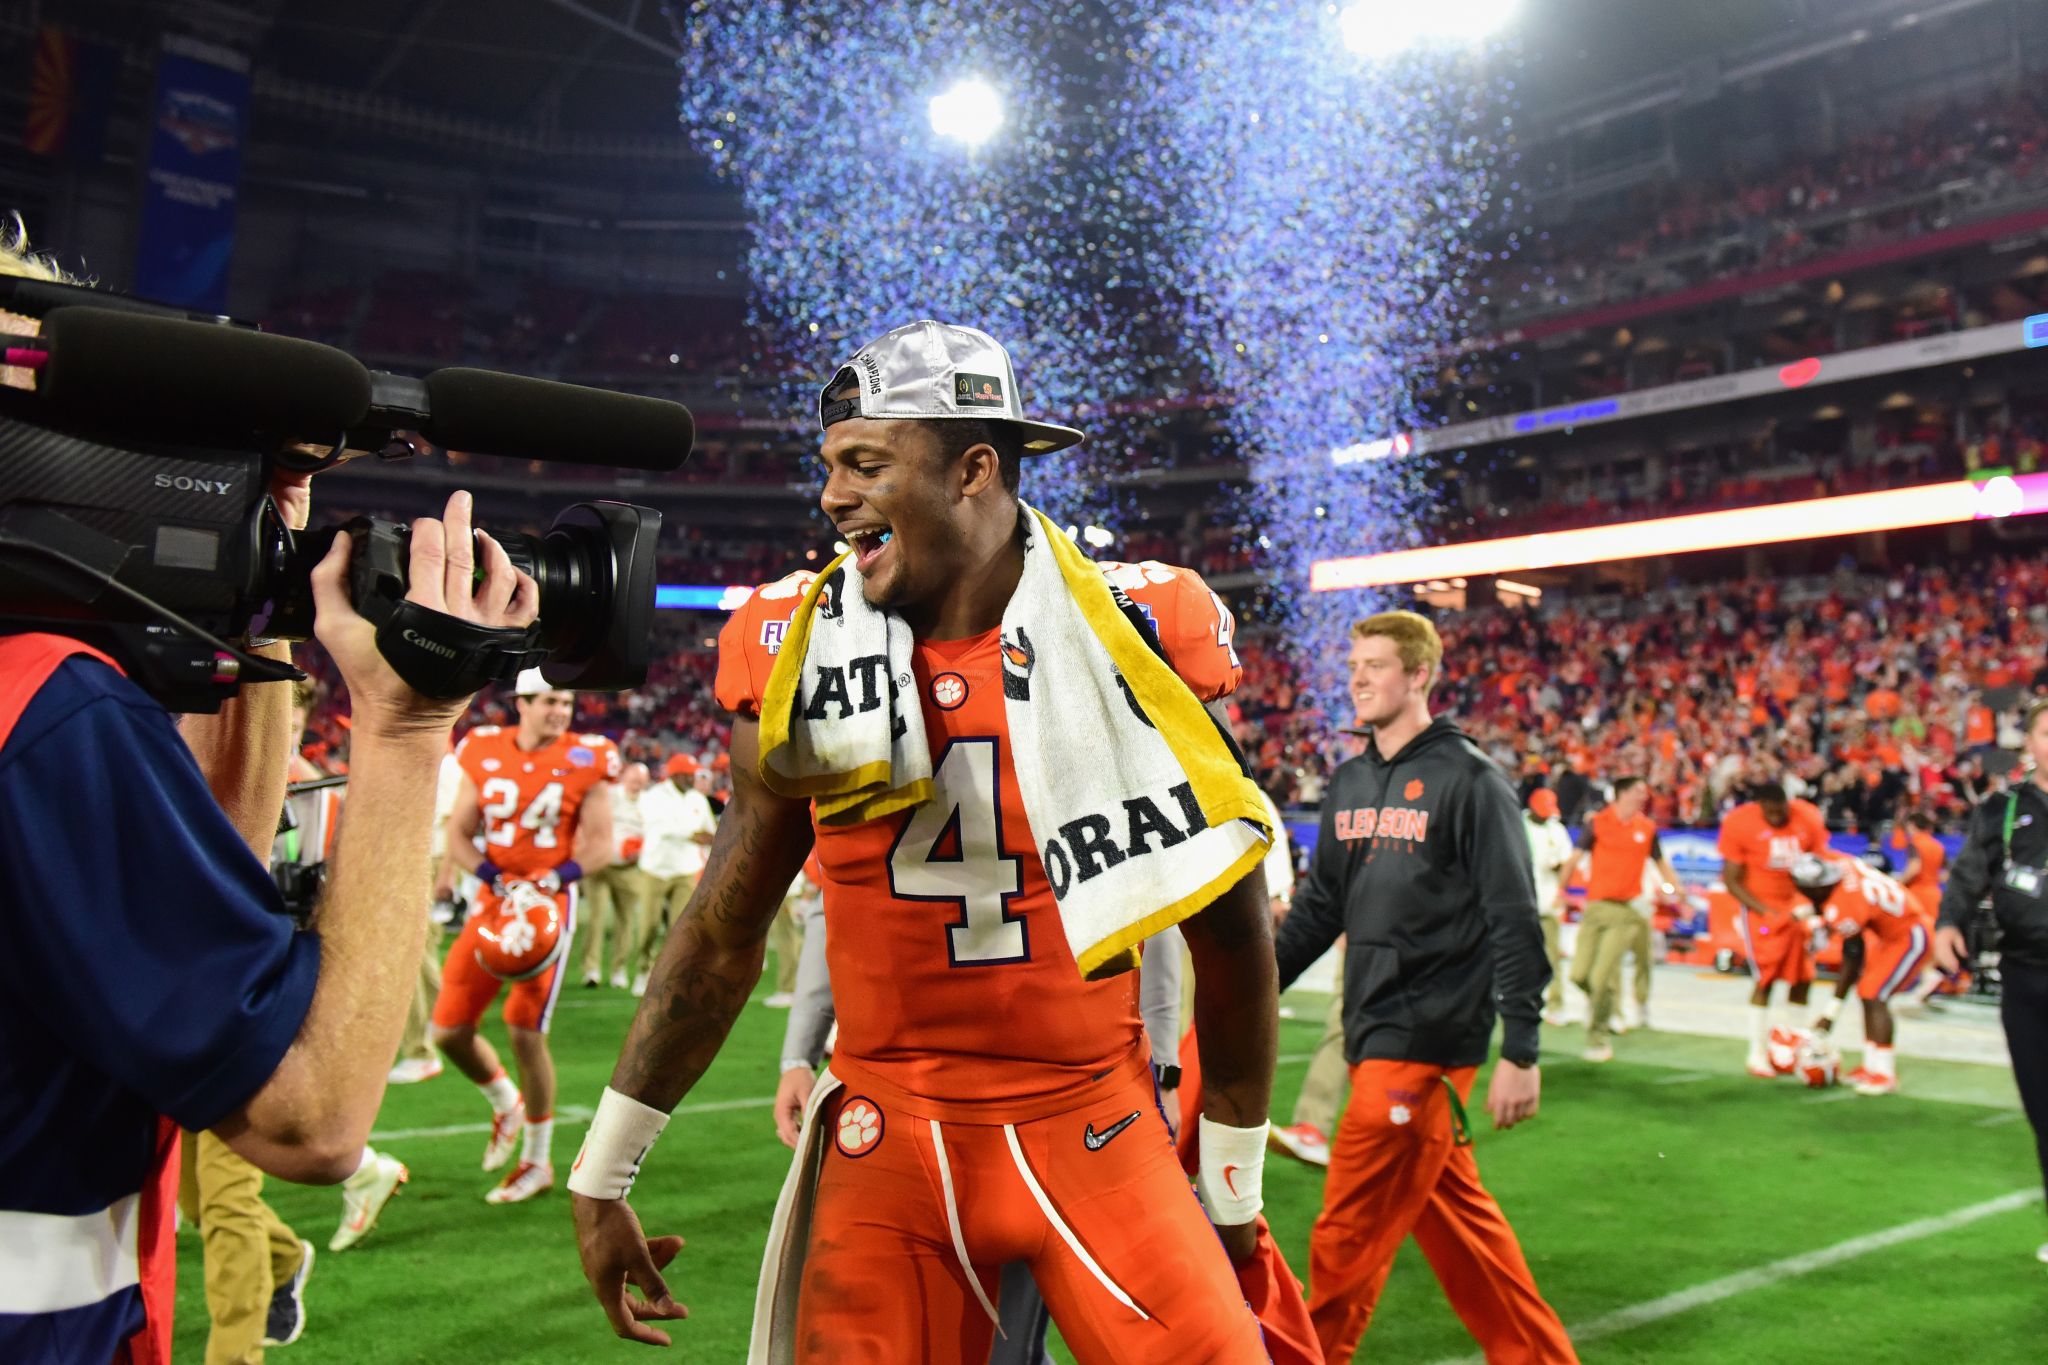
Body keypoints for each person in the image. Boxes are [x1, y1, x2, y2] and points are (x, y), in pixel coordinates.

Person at [569, 320, 1283, 1363]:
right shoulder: (797, 649)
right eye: (829, 468)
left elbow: (1231, 939)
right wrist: (604, 1173)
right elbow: (724, 932)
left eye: (864, 464)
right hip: (889, 1133)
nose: (831, 497)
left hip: (1094, 1122)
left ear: (973, 470)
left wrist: (1229, 1187)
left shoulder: (1135, 630)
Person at [0, 330, 536, 1365]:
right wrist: (409, 729)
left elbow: (205, 912)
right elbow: (311, 1120)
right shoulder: (43, 702)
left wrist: (260, 587)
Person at [1273, 610, 1575, 1365]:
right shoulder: (1350, 779)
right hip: (1374, 1027)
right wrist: (1247, 992)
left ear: (1419, 675)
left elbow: (1514, 920)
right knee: (1465, 1236)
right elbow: (1319, 908)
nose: (1360, 678)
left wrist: (1523, 1049)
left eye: (1376, 664)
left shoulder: (1470, 780)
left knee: (1345, 1233)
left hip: (1428, 1038)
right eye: (1354, 666)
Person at [430, 670, 617, 1205]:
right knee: (447, 1030)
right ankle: (504, 1100)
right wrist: (492, 878)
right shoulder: (484, 748)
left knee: (523, 1030)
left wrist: (554, 879)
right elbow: (460, 835)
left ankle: (537, 1159)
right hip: (495, 900)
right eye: (549, 701)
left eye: (566, 701)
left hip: (548, 906)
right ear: (523, 703)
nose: (560, 710)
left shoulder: (588, 756)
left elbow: (601, 845)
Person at [1934, 696, 2048, 1265]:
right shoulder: (2001, 812)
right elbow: (1967, 877)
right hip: (2025, 980)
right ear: (2028, 744)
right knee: (2043, 1112)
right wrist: (1948, 923)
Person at [1717, 780, 1831, 1077]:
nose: (1778, 816)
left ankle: (1796, 1047)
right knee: (1765, 978)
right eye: (1771, 811)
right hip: (1762, 909)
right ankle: (1756, 1052)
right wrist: (1763, 911)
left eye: (1782, 810)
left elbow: (1820, 862)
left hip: (1797, 905)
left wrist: (1811, 903)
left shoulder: (1807, 816)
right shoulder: (1740, 822)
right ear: (1760, 806)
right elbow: (1731, 878)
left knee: (1803, 977)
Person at [1561, 777, 1678, 1061]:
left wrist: (1678, 892)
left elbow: (1661, 864)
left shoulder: (1647, 828)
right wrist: (1560, 889)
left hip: (1626, 911)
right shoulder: (1598, 822)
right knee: (1579, 975)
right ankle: (1604, 1004)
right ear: (1621, 793)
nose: (1643, 797)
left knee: (1602, 977)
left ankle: (1598, 1037)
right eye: (1638, 792)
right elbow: (1575, 857)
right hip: (1596, 908)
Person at [1795, 854, 1931, 1096]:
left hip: (1910, 933)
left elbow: (1852, 957)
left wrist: (1831, 1013)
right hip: (1892, 933)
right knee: (1868, 990)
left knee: (1874, 994)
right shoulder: (1842, 864)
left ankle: (1885, 1073)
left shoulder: (1844, 905)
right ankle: (1872, 1065)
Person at [629, 752, 718, 996]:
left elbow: (709, 830)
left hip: (685, 869)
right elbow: (659, 827)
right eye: (688, 775)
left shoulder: (698, 799)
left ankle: (669, 975)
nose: (693, 779)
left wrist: (712, 839)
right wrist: (692, 835)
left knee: (679, 928)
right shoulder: (653, 797)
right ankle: (643, 969)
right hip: (655, 869)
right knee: (649, 926)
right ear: (675, 775)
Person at [580, 760, 651, 988]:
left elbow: (653, 833)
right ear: (624, 777)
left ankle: (618, 969)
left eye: (640, 781)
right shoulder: (609, 796)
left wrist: (641, 851)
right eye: (633, 779)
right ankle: (591, 970)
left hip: (629, 869)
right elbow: (588, 822)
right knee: (595, 918)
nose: (636, 784)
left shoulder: (649, 803)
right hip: (600, 866)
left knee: (626, 920)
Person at [1524, 787, 1575, 1026]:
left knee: (1551, 956)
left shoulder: (1556, 829)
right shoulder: (1517, 825)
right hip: (1520, 901)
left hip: (1547, 901)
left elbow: (1566, 863)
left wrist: (1560, 879)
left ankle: (1556, 1004)